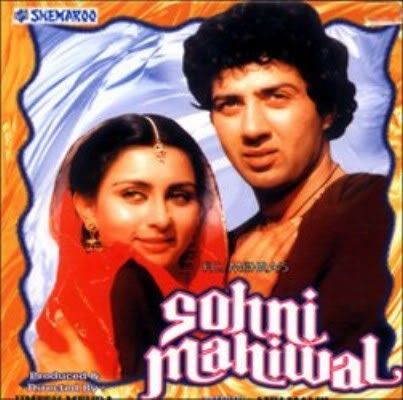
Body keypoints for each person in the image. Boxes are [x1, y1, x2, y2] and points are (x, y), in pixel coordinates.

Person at [183, 1, 395, 376]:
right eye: (229, 104)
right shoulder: (223, 247)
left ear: (326, 111)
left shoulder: (373, 209)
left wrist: (244, 314)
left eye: (276, 97)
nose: (252, 129)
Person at [34, 114, 228, 380]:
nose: (161, 218)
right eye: (133, 194)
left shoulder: (226, 299)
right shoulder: (124, 287)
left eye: (180, 196)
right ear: (86, 208)